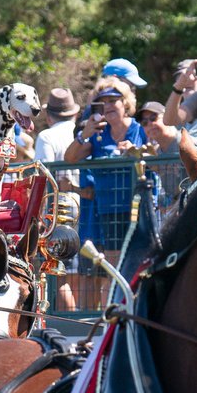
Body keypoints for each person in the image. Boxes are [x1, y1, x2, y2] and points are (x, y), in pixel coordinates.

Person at [64, 76, 148, 307]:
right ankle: (110, 322)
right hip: (109, 212)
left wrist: (137, 151)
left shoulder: (139, 129)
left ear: (126, 103)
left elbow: (156, 158)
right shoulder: (98, 136)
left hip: (138, 209)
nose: (109, 105)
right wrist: (86, 133)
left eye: (114, 99)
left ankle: (135, 314)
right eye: (103, 101)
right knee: (113, 271)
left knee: (138, 267)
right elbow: (70, 158)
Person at [34, 88, 80, 162]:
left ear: (48, 118)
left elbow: (43, 172)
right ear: (76, 115)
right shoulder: (85, 133)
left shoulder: (46, 137)